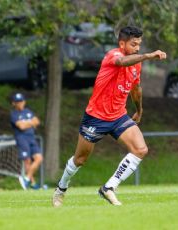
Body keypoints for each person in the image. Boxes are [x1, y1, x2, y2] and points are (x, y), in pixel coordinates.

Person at [52, 26, 167, 207]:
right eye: (133, 44)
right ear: (122, 43)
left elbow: (135, 89)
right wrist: (148, 56)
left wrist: (139, 110)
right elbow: (121, 62)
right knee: (80, 160)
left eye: (139, 45)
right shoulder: (112, 56)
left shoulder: (137, 63)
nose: (137, 48)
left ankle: (109, 187)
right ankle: (61, 188)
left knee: (140, 149)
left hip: (118, 116)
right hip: (95, 118)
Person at [10, 93, 43, 190]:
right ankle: (33, 184)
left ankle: (26, 179)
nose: (20, 103)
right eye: (17, 102)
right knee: (27, 161)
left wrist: (27, 123)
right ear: (14, 103)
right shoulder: (14, 114)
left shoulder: (28, 111)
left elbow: (37, 121)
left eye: (21, 101)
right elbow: (21, 126)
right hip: (21, 138)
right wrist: (30, 123)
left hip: (31, 138)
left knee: (39, 158)